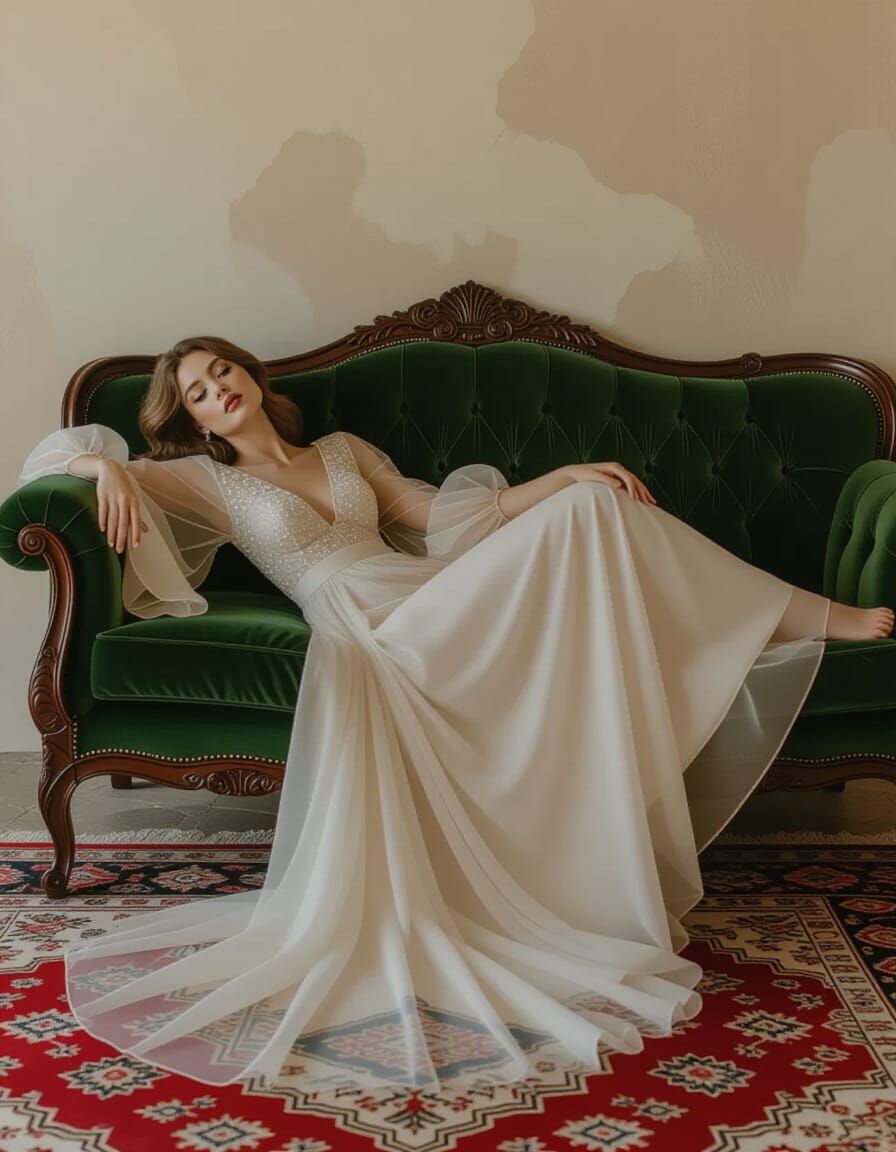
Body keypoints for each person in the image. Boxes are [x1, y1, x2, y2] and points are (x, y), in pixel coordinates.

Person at [15, 335, 894, 1098]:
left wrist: (560, 478)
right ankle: (815, 617)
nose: (218, 391)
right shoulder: (205, 479)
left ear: (250, 374)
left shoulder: (343, 448)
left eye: (222, 370)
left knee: (593, 504)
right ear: (197, 420)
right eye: (199, 392)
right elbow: (44, 470)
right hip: (365, 626)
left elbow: (441, 517)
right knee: (590, 515)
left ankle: (807, 616)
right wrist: (99, 466)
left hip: (434, 596)